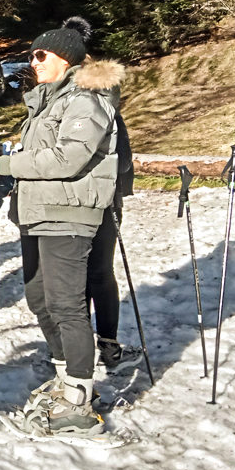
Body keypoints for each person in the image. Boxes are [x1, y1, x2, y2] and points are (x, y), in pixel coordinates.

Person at [0, 17, 124, 437]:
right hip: (38, 212)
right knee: (38, 295)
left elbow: (69, 159)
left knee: (66, 303)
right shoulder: (47, 100)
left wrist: (8, 164)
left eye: (40, 54)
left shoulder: (87, 99)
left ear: (65, 58)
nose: (33, 60)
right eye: (31, 54)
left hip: (70, 212)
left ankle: (79, 395)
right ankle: (66, 376)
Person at [85, 115, 142, 371]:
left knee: (98, 271)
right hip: (70, 204)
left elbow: (124, 162)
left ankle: (108, 345)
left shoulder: (107, 112)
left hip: (106, 203)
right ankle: (78, 346)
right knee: (80, 275)